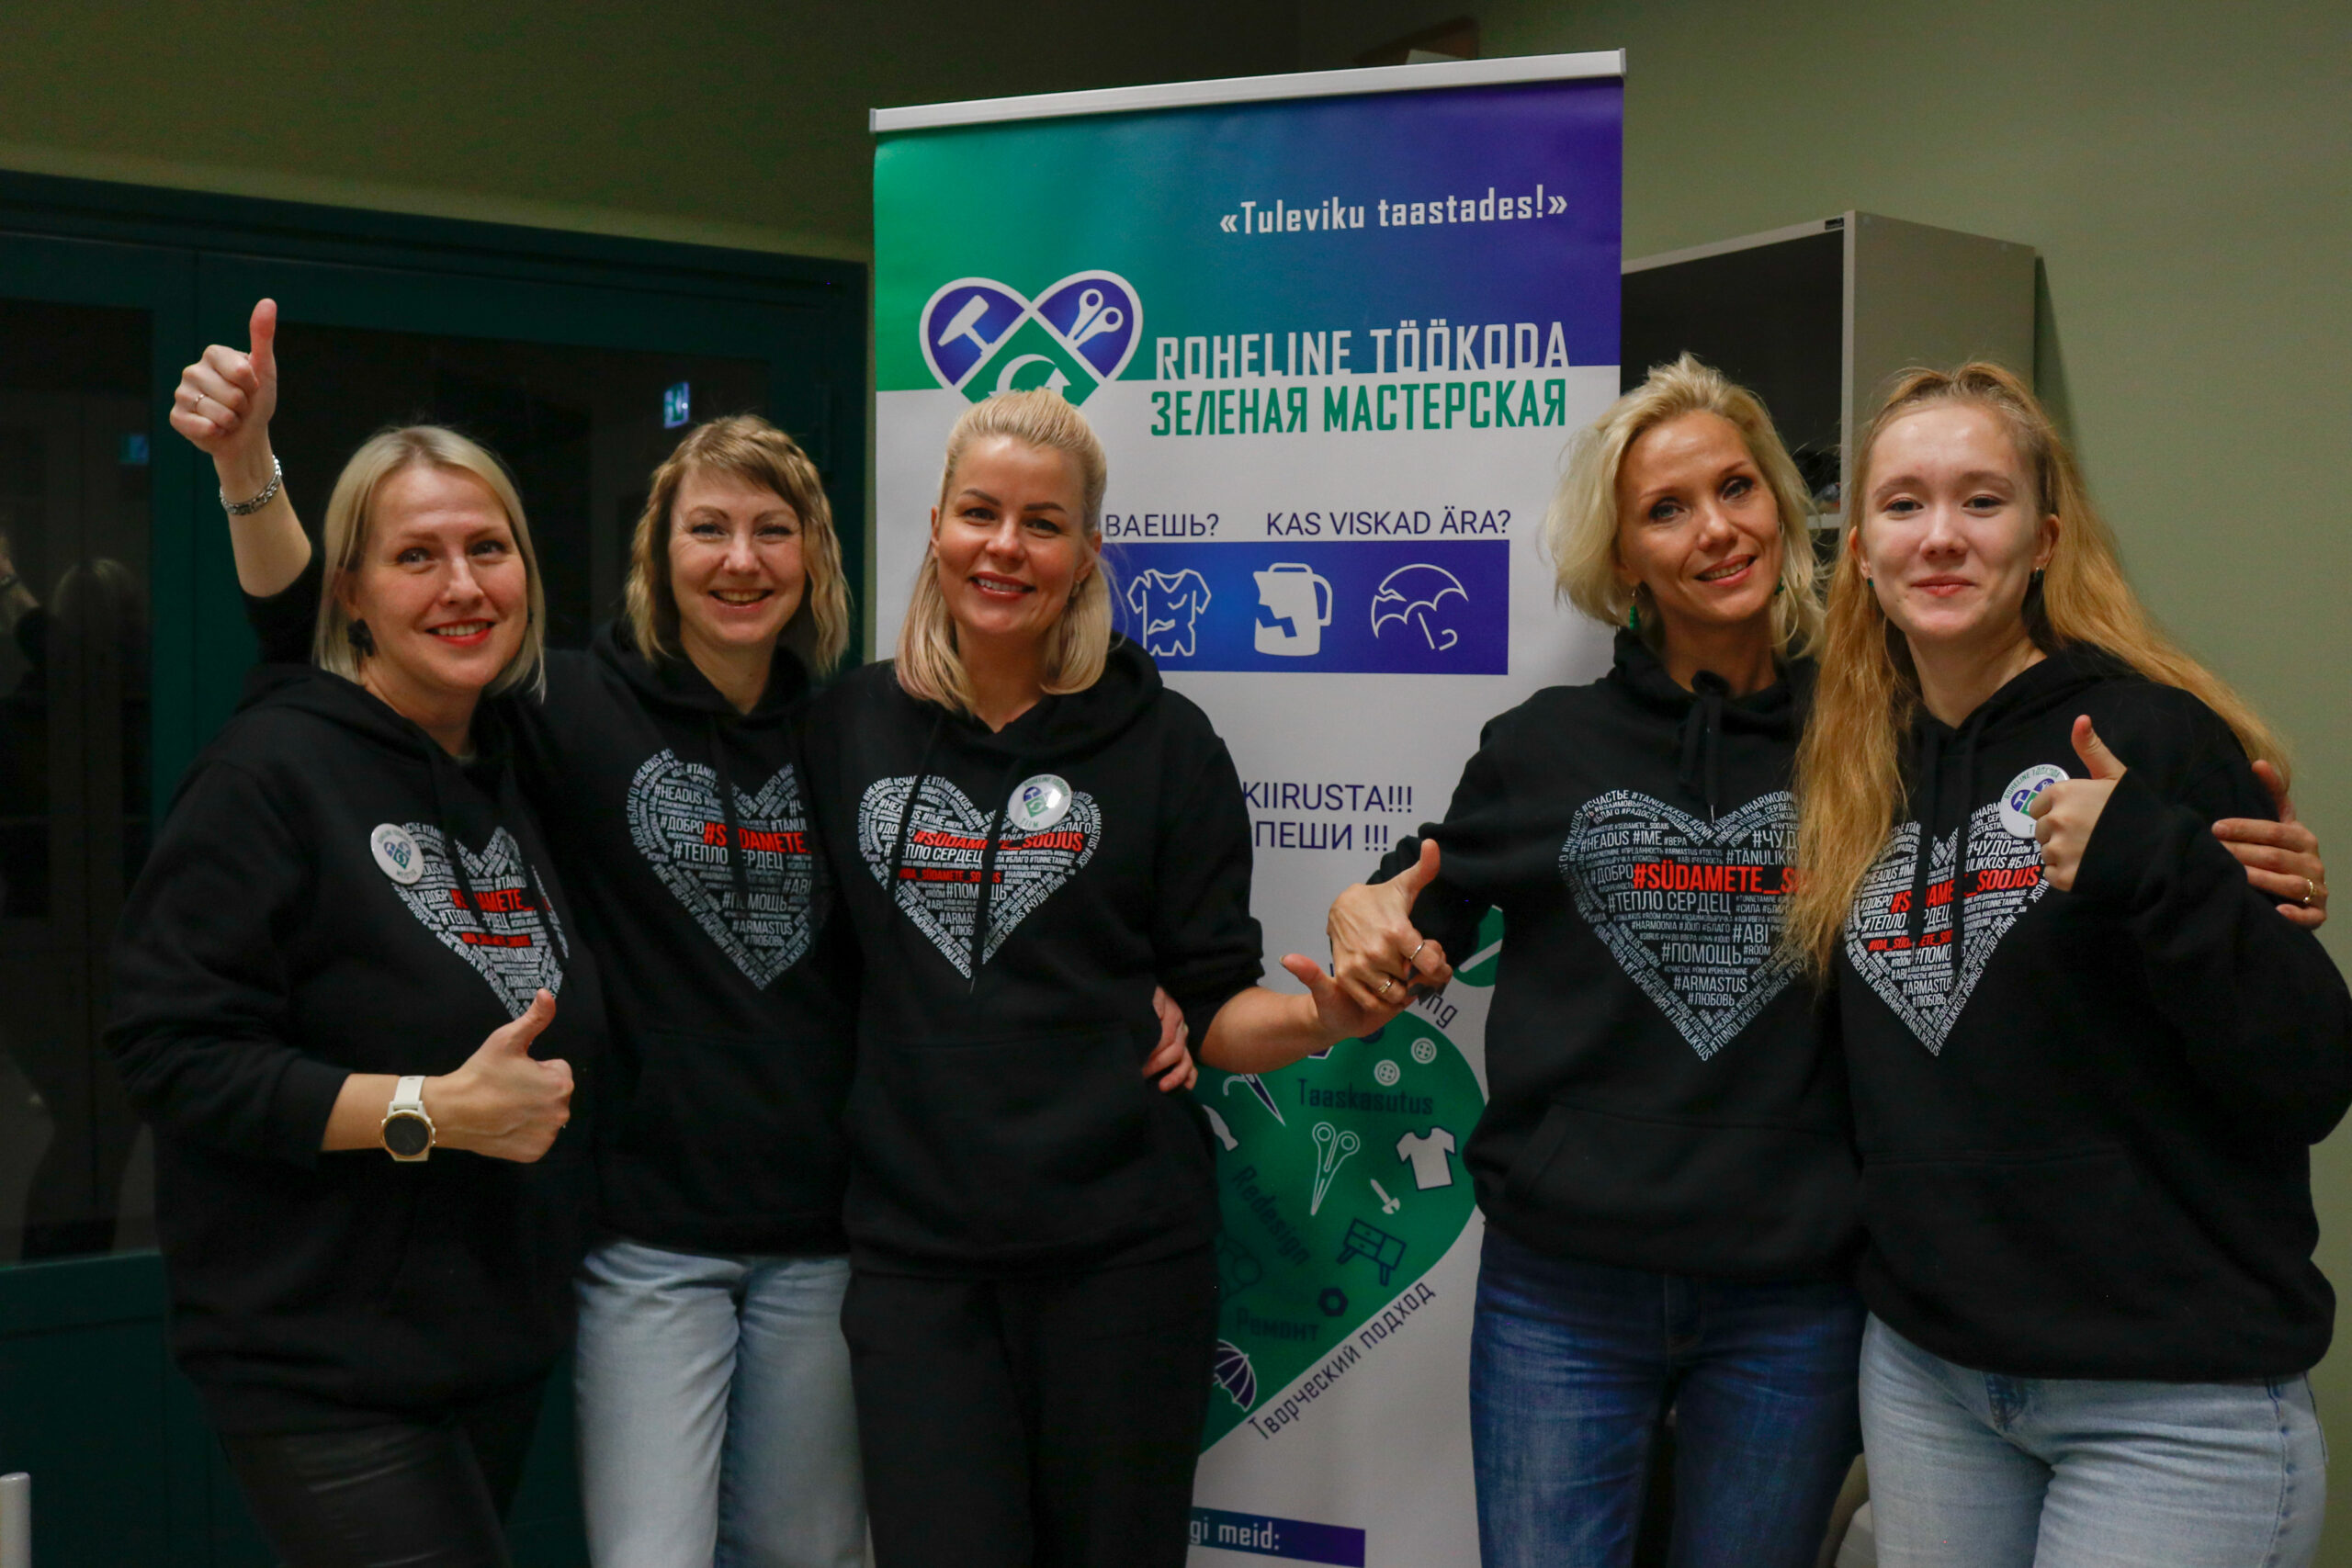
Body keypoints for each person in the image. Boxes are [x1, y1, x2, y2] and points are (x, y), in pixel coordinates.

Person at [177, 303, 1198, 1567]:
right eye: (707, 528)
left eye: (774, 530)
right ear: (657, 553)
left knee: (806, 1555)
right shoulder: (562, 707)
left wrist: (1148, 987)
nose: (740, 560)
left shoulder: (859, 728)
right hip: (644, 1240)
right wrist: (251, 473)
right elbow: (327, 644)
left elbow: (1002, 879)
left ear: (815, 556)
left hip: (827, 1239)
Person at [1324, 355, 2330, 1568]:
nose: (1715, 529)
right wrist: (1362, 909)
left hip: (1869, 1306)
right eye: (1665, 508)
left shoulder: (1891, 736)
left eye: (1737, 486)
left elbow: (2291, 1045)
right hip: (1807, 1335)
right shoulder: (1757, 748)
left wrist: (2176, 859)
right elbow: (1421, 890)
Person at [802, 389, 1423, 1568]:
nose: (1005, 547)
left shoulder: (1167, 743)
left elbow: (1214, 1009)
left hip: (1123, 1266)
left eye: (1042, 524)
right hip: (917, 1268)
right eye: (980, 513)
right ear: (935, 526)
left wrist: (1321, 1020)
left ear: (1089, 551)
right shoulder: (845, 728)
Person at [1786, 362, 2347, 1568]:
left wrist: (2158, 857)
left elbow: (2307, 1070)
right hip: (1933, 1381)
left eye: (1981, 501)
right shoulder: (1851, 765)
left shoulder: (2151, 735)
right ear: (1861, 552)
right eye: (1903, 504)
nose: (1941, 536)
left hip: (2167, 1401)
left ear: (2043, 541)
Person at [106, 421, 603, 1568]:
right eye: (415, 556)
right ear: (351, 593)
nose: (462, 585)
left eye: (488, 548)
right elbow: (170, 1051)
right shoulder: (269, 771)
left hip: (487, 1348)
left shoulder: (515, 758)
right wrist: (429, 1110)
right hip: (323, 1366)